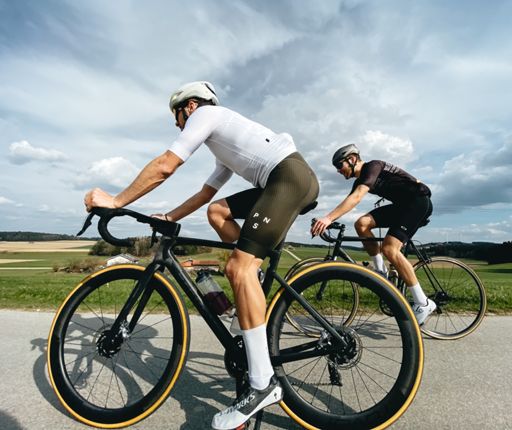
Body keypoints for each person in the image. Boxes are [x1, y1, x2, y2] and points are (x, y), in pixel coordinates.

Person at [84, 81, 319, 430]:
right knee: (218, 212)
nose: (178, 124)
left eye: (177, 117)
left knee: (238, 268)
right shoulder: (223, 142)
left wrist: (116, 201)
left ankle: (262, 385)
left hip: (287, 178)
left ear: (190, 106)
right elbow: (205, 194)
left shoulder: (208, 115)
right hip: (287, 177)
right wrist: (168, 217)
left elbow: (166, 165)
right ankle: (251, 285)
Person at [310, 143, 436, 325]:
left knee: (390, 249)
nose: (338, 170)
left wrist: (327, 219)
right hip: (402, 206)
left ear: (352, 159)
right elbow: (348, 201)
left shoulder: (373, 166)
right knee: (361, 224)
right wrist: (327, 219)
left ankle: (423, 302)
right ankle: (381, 272)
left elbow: (356, 197)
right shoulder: (359, 181)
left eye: (339, 165)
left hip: (417, 202)